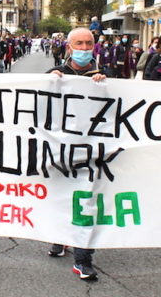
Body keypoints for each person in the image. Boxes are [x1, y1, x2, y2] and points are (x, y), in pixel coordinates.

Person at [46, 28, 106, 281]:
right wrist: (51, 81)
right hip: (61, 149)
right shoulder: (54, 75)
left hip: (92, 150)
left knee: (86, 201)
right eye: (78, 43)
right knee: (61, 196)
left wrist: (107, 86)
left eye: (88, 43)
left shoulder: (105, 76)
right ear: (69, 47)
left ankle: (83, 260)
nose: (83, 48)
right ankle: (60, 238)